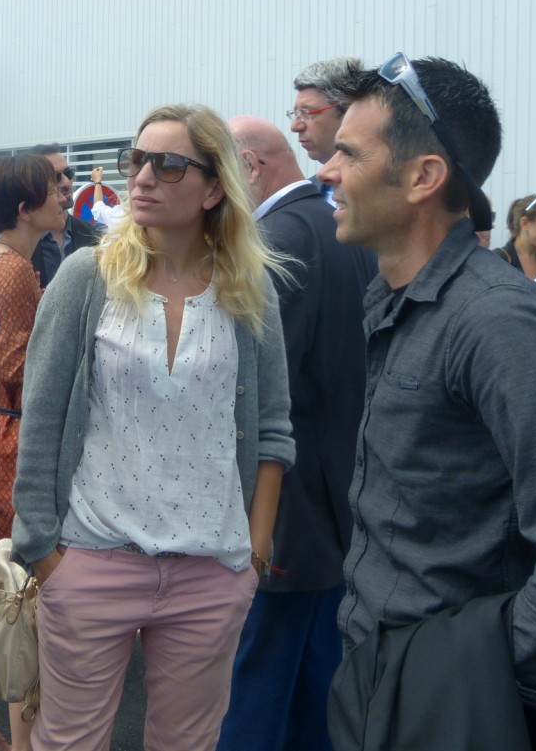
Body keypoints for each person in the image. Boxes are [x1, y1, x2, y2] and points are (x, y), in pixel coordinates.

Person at [318, 54, 536, 740]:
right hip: (375, 675)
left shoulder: (497, 324)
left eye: (347, 153)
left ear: (424, 177)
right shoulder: (391, 301)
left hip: (456, 701)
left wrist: (477, 671)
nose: (326, 170)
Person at [12, 103, 295, 751]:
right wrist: (42, 550)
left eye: (168, 165)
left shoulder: (247, 290)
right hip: (91, 556)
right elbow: (43, 415)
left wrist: (252, 552)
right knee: (69, 741)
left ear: (215, 187)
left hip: (211, 568)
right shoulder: (87, 278)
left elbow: (274, 427)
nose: (142, 177)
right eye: (136, 160)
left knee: (186, 743)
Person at [219, 116, 376, 751]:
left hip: (279, 503)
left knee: (252, 686)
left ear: (251, 169)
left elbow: (257, 394)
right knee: (316, 688)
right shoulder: (344, 233)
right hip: (338, 496)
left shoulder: (272, 241)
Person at [0, 154, 67, 751]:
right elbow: (14, 365)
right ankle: (20, 730)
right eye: (53, 188)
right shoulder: (14, 271)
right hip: (12, 437)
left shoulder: (4, 263)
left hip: (0, 433)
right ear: (25, 209)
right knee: (20, 590)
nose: (65, 194)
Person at [288, 57, 363, 204]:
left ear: (349, 111)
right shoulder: (305, 198)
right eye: (295, 114)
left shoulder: (390, 192)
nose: (295, 127)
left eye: (308, 113)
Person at [27, 144, 101, 286]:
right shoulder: (14, 238)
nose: (66, 182)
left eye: (68, 173)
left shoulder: (93, 236)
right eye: (56, 177)